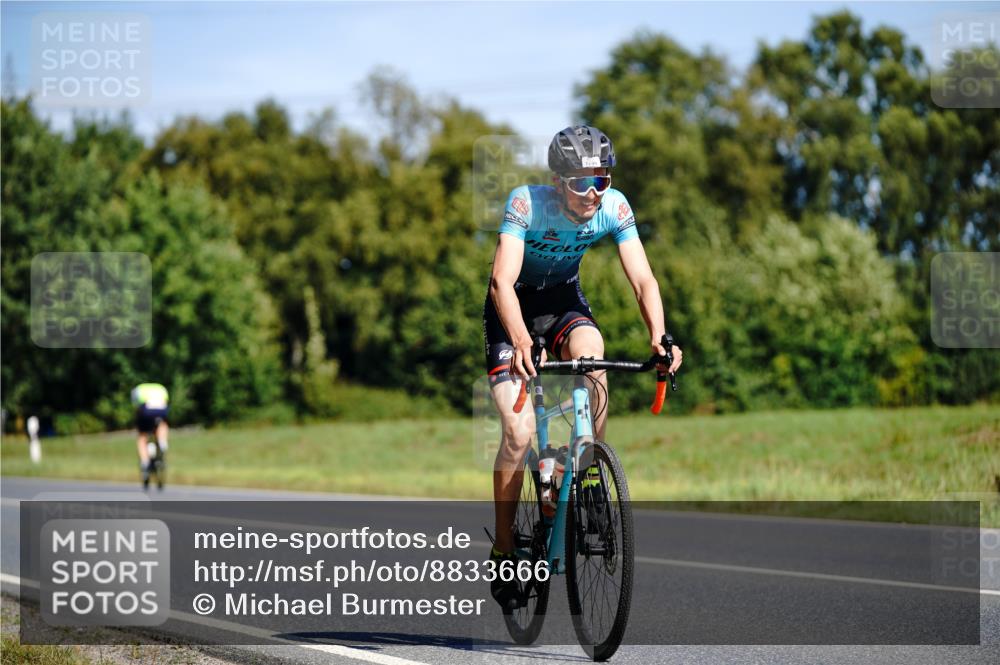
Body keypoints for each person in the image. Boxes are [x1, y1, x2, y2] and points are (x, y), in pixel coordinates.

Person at [483, 125, 683, 608]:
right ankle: (505, 549)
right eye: (580, 182)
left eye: (602, 179)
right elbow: (500, 283)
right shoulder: (527, 204)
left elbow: (642, 278)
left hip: (564, 302)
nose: (593, 193)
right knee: (518, 432)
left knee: (593, 353)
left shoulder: (614, 207)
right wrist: (520, 338)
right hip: (513, 310)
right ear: (558, 181)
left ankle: (587, 464)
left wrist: (659, 336)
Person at [131, 382, 169, 488]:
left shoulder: (138, 389)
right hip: (161, 409)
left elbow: (136, 408)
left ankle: (145, 462)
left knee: (142, 436)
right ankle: (162, 442)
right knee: (162, 424)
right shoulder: (160, 388)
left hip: (146, 409)